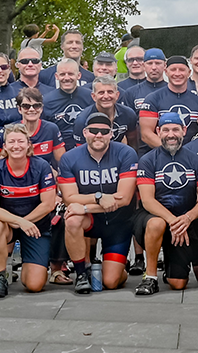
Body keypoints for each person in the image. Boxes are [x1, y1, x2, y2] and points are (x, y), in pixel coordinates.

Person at [57, 113, 140, 293]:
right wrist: (98, 196)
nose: (99, 135)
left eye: (104, 131)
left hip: (119, 222)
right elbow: (69, 197)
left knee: (111, 282)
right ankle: (80, 274)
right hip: (91, 220)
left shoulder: (126, 153)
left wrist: (85, 205)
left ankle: (117, 268)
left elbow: (124, 199)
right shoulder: (69, 158)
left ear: (111, 134)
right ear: (85, 132)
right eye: (94, 131)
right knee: (72, 219)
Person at [136, 112, 198, 295]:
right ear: (158, 131)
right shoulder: (148, 160)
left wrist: (187, 219)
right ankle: (150, 277)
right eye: (166, 130)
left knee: (180, 283)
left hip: (184, 219)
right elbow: (147, 200)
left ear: (184, 131)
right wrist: (174, 221)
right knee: (157, 223)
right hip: (154, 217)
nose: (171, 134)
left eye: (175, 129)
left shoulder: (196, 160)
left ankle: (172, 265)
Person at [0, 123, 60, 297]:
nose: (16, 146)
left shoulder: (42, 166)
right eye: (11, 142)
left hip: (35, 224)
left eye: (20, 141)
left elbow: (48, 205)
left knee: (34, 285)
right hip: (7, 223)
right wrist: (19, 222)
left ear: (28, 145)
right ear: (5, 146)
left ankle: (28, 266)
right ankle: (0, 278)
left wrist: (25, 222)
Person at [138, 54, 198, 146]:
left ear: (189, 72)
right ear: (166, 72)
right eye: (173, 70)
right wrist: (172, 151)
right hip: (160, 153)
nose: (177, 74)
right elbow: (146, 135)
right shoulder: (152, 99)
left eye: (182, 70)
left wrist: (187, 154)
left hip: (190, 156)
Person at [44, 62, 93, 140]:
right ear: (56, 76)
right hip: (60, 145)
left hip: (86, 144)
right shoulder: (47, 101)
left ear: (79, 76)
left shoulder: (91, 97)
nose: (66, 78)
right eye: (62, 74)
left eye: (71, 74)